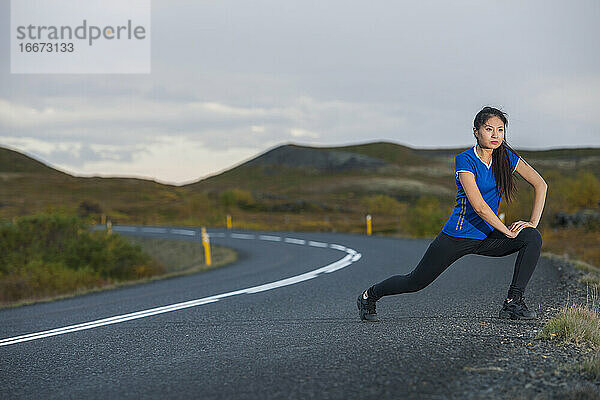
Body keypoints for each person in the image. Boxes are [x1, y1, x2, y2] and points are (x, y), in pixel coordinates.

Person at [357, 106, 548, 322]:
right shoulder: (465, 160)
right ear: (476, 131)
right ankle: (368, 296)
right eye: (489, 129)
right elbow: (479, 207)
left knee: (532, 237)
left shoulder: (507, 158)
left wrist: (532, 222)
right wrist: (507, 231)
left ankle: (513, 303)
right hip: (458, 236)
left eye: (500, 130)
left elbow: (540, 184)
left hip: (488, 236)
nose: (495, 135)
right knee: (415, 282)